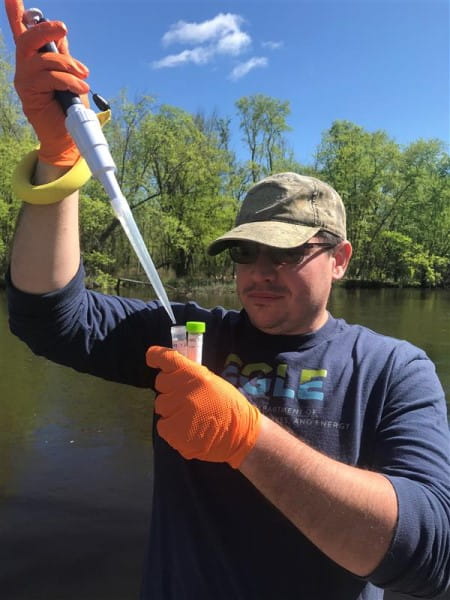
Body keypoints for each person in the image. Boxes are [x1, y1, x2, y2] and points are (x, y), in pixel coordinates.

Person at [4, 1, 450, 598]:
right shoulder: (189, 333)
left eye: (287, 253)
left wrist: (248, 438)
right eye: (245, 253)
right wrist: (60, 162)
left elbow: (427, 556)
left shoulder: (393, 369)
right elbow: (50, 316)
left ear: (341, 260)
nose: (260, 271)